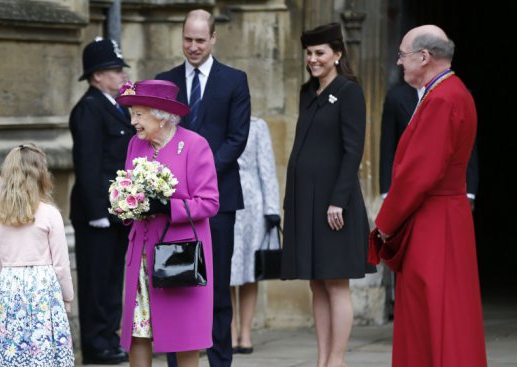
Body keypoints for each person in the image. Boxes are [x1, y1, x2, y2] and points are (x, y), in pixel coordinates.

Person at [373, 25, 487, 366]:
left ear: (424, 57)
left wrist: (385, 223)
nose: (398, 63)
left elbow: (419, 173)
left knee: (433, 312)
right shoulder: (449, 92)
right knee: (444, 312)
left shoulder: (443, 98)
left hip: (433, 220)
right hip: (443, 217)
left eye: (403, 56)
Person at [155, 9, 251, 367]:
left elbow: (236, 139)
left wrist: (199, 177)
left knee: (216, 288)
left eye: (200, 40)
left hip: (218, 202)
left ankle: (220, 361)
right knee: (176, 284)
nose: (193, 47)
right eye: (187, 39)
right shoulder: (165, 82)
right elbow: (156, 137)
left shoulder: (234, 80)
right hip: (173, 204)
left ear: (213, 39)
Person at [280, 23, 376, 367]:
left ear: (337, 54)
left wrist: (338, 199)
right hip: (305, 202)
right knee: (316, 283)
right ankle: (322, 359)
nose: (313, 59)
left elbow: (353, 151)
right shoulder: (308, 92)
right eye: (309, 53)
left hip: (335, 204)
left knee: (336, 283)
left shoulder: (349, 91)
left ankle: (337, 360)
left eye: (320, 53)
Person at [114, 79, 219, 367]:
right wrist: (124, 204)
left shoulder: (195, 146)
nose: (133, 121)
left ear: (160, 115)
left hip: (178, 254)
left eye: (139, 114)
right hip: (141, 254)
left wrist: (167, 206)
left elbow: (209, 202)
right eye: (132, 114)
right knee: (138, 331)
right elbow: (128, 188)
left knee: (185, 335)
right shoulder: (135, 144)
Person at [69, 37, 134, 365]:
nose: (122, 75)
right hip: (97, 214)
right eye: (114, 70)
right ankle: (96, 344)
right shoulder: (89, 109)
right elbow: (88, 163)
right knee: (95, 281)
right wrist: (96, 210)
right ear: (96, 76)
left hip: (117, 210)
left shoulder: (116, 106)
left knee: (112, 280)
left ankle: (109, 337)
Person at [0, 143, 75, 367]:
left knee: (13, 350)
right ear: (41, 175)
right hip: (43, 290)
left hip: (9, 288)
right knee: (43, 350)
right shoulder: (50, 214)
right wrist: (68, 297)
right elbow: (61, 265)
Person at [379, 81, 479, 206]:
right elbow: (388, 148)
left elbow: (467, 146)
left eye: (404, 59)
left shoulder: (460, 95)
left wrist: (469, 193)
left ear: (424, 60)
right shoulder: (395, 96)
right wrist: (386, 192)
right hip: (407, 190)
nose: (400, 62)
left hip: (446, 189)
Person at [229, 116, 280, 355]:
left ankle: (246, 332)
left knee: (250, 270)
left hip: (252, 204)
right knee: (225, 271)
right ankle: (228, 332)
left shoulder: (258, 125)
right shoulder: (214, 120)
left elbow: (267, 167)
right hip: (222, 199)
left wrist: (272, 209)